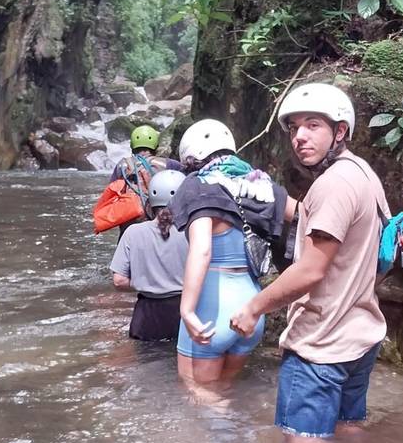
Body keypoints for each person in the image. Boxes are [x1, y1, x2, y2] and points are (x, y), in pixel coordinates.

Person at [229, 83, 391, 443]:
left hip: (322, 344)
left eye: (313, 125)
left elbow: (311, 270)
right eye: (294, 128)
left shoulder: (333, 184)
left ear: (340, 131)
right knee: (347, 428)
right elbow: (346, 234)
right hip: (361, 335)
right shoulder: (363, 174)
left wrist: (254, 308)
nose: (300, 136)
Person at [166, 119, 296, 389]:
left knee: (198, 394)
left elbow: (202, 250)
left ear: (193, 156)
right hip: (251, 308)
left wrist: (187, 310)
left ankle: (235, 432)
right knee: (224, 392)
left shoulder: (198, 185)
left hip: (211, 309)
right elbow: (311, 216)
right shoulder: (262, 185)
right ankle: (243, 431)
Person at [110, 170, 188, 341]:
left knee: (146, 364)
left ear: (150, 203)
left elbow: (119, 281)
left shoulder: (132, 232)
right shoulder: (192, 233)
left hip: (145, 318)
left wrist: (147, 281)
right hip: (184, 313)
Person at [109, 125, 183, 235]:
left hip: (129, 226)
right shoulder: (169, 164)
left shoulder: (121, 165)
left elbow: (112, 194)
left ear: (132, 147)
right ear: (156, 147)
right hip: (160, 224)